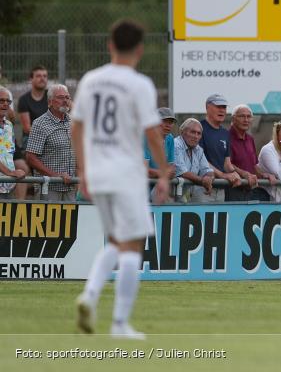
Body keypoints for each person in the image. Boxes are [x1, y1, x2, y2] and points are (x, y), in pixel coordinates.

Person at [72, 19, 171, 339]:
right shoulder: (139, 85)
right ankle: (119, 324)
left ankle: (90, 295)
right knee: (132, 247)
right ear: (140, 50)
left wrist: (83, 170)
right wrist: (164, 172)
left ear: (109, 45)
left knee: (115, 241)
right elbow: (152, 134)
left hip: (98, 172)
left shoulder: (90, 80)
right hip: (126, 172)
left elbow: (77, 128)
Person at [25, 83, 77, 201]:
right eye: (60, 97)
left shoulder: (72, 122)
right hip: (49, 188)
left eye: (67, 97)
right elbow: (30, 157)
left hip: (71, 187)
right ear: (50, 102)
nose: (65, 101)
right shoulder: (40, 123)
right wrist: (55, 176)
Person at [198, 94, 243, 202]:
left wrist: (235, 173)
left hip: (220, 188)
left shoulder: (225, 133)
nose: (222, 110)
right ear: (207, 107)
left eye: (224, 107)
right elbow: (200, 159)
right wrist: (223, 175)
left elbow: (227, 163)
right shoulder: (198, 128)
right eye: (218, 106)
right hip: (202, 187)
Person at [228, 104, 268, 202]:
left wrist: (264, 174)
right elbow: (226, 164)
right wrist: (245, 174)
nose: (246, 120)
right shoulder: (225, 137)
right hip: (233, 190)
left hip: (250, 191)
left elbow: (254, 165)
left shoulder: (250, 139)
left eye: (248, 116)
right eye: (242, 116)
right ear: (233, 119)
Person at [174, 118, 215, 202]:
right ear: (182, 132)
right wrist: (203, 181)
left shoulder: (198, 149)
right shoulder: (176, 144)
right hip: (165, 196)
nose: (196, 136)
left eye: (199, 133)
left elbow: (207, 170)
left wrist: (209, 177)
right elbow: (183, 172)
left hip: (182, 196)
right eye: (193, 132)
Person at [0, 86, 28, 200]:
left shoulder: (9, 125)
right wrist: (10, 172)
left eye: (8, 101)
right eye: (1, 100)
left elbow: (8, 155)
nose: (5, 104)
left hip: (7, 186)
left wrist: (10, 174)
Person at [16, 65, 49, 142]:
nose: (42, 79)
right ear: (31, 79)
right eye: (38, 76)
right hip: (31, 138)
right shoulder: (24, 100)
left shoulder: (52, 96)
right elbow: (27, 129)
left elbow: (71, 108)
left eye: (45, 76)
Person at [144, 107, 176, 182]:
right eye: (164, 121)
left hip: (159, 184)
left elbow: (171, 168)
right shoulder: (145, 137)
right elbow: (143, 170)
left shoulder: (170, 138)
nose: (168, 125)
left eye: (171, 122)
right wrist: (164, 173)